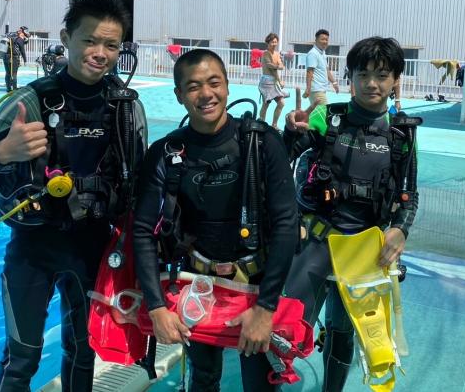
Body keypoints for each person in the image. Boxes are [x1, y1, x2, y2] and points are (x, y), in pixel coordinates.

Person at [0, 0, 147, 392]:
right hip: (33, 249)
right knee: (21, 358)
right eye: (89, 40)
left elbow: (140, 184)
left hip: (95, 251)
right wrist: (2, 152)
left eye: (111, 45)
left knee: (84, 351)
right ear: (66, 38)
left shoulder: (126, 108)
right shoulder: (30, 101)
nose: (100, 53)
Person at [132, 49, 299, 391]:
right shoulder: (165, 153)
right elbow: (143, 231)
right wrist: (157, 307)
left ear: (227, 86)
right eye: (193, 86)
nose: (206, 94)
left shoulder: (262, 143)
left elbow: (286, 223)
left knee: (261, 384)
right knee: (203, 379)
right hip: (197, 287)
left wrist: (266, 307)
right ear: (179, 95)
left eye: (214, 83)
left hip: (257, 285)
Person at [282, 37, 419, 391]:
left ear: (395, 81)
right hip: (317, 239)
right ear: (350, 77)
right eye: (363, 74)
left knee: (343, 335)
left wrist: (400, 230)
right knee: (284, 329)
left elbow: (409, 195)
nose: (372, 83)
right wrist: (289, 131)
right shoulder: (328, 117)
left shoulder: (402, 134)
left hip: (365, 251)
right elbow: (283, 159)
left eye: (382, 75)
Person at [258, 32, 288, 130]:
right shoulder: (265, 54)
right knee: (266, 104)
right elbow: (270, 66)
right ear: (268, 42)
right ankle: (261, 122)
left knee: (281, 103)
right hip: (266, 82)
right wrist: (279, 67)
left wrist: (279, 80)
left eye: (275, 42)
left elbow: (280, 65)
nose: (274, 44)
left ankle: (274, 125)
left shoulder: (277, 54)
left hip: (274, 82)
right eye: (272, 42)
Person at [304, 29, 339, 111]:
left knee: (317, 113)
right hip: (316, 90)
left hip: (321, 89)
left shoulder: (322, 53)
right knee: (324, 112)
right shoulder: (313, 53)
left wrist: (334, 83)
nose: (325, 41)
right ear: (316, 40)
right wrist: (308, 88)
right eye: (322, 39)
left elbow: (326, 70)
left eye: (326, 40)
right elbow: (309, 72)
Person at [3, 26, 29, 92]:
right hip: (13, 58)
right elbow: (22, 51)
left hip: (5, 57)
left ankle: (8, 88)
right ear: (22, 33)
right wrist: (25, 61)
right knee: (14, 74)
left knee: (8, 73)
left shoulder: (12, 37)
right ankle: (14, 89)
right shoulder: (19, 39)